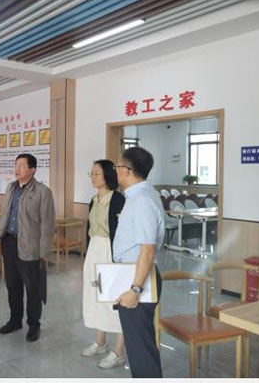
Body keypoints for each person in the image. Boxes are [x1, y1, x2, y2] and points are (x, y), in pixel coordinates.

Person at [112, 147, 165, 378]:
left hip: (138, 280)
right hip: (135, 275)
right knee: (139, 345)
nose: (115, 171)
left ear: (127, 170)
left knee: (140, 349)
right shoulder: (139, 195)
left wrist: (135, 289)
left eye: (117, 166)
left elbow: (147, 248)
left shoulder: (141, 200)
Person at [0, 153, 55, 342]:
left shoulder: (43, 192)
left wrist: (44, 251)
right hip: (9, 243)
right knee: (13, 286)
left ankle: (34, 325)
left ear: (32, 169)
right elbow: (5, 215)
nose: (17, 169)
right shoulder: (11, 187)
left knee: (32, 288)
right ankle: (15, 320)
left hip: (30, 246)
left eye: (21, 165)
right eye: (16, 165)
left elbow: (47, 224)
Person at [82, 160, 126, 368]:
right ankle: (100, 342)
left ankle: (118, 351)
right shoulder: (93, 200)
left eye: (97, 173)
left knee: (113, 300)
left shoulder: (118, 200)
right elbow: (89, 230)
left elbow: (122, 231)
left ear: (108, 175)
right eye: (91, 173)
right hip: (94, 251)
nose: (93, 177)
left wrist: (118, 259)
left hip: (111, 251)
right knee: (96, 296)